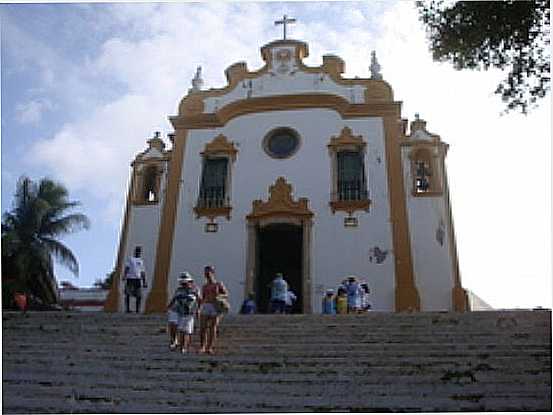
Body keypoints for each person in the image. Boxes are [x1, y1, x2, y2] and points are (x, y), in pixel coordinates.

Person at [199, 265, 228, 355]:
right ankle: (202, 346)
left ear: (213, 273)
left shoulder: (218, 284)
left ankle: (209, 347)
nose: (207, 274)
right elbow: (202, 298)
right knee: (203, 328)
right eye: (205, 273)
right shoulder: (204, 286)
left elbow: (226, 294)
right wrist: (199, 308)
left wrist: (218, 297)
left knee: (212, 327)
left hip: (215, 306)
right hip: (206, 306)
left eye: (208, 272)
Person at [166, 272, 199, 354]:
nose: (183, 284)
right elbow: (174, 299)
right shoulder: (179, 290)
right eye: (182, 283)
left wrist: (198, 310)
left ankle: (183, 347)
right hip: (176, 309)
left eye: (185, 283)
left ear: (190, 282)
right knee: (173, 323)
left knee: (185, 331)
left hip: (188, 312)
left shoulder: (195, 290)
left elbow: (200, 300)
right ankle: (174, 341)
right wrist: (169, 306)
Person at [123, 246, 147, 313]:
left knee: (139, 295)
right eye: (137, 250)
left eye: (139, 251)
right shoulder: (130, 259)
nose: (138, 252)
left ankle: (137, 309)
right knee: (128, 294)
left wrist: (144, 281)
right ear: (135, 251)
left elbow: (142, 272)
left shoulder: (141, 261)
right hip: (130, 278)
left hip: (138, 279)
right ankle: (127, 309)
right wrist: (124, 275)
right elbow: (127, 268)